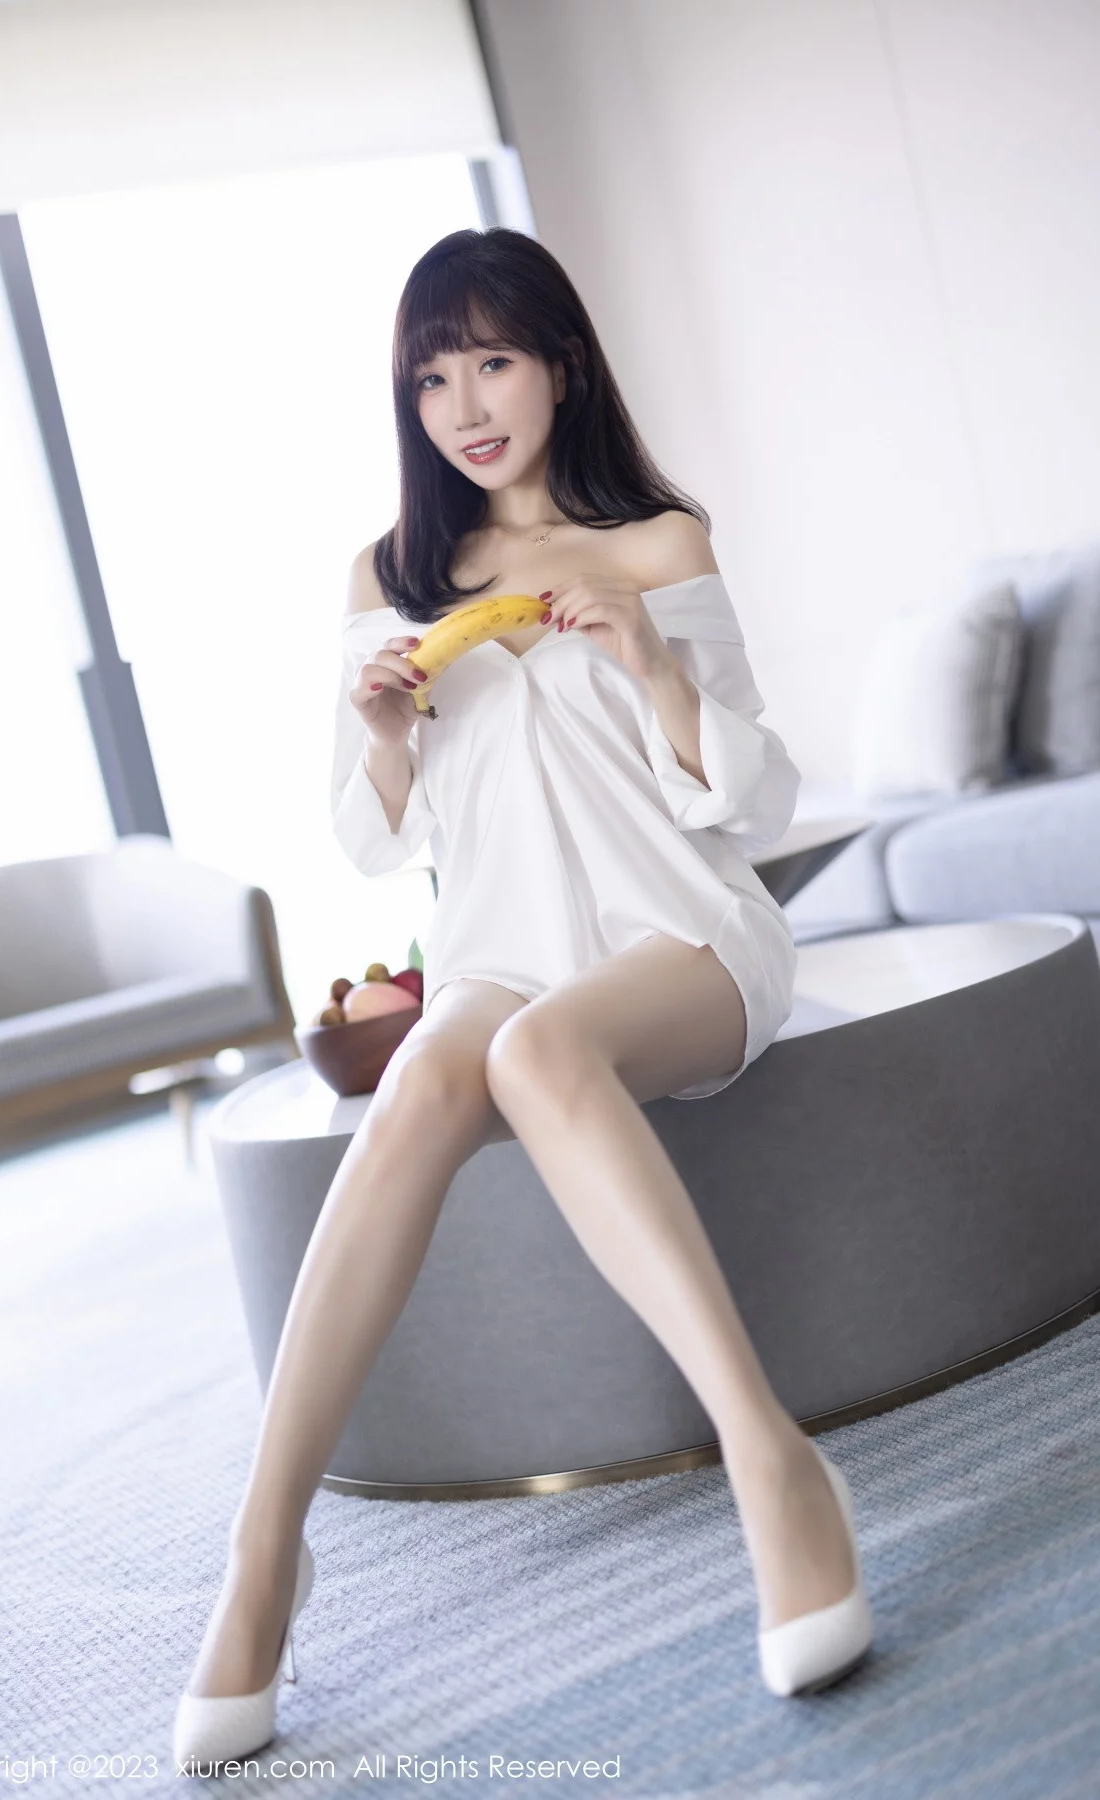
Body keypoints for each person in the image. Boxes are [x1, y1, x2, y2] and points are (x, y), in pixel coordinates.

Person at [174, 227, 872, 1771]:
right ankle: (265, 1548)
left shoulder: (657, 543)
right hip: (497, 945)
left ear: (559, 361)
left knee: (545, 1051)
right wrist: (387, 734)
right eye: (432, 377)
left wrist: (653, 664)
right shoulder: (390, 582)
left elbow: (751, 800)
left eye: (492, 360)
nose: (466, 405)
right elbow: (376, 841)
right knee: (433, 1074)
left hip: (681, 931)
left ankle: (769, 1459)